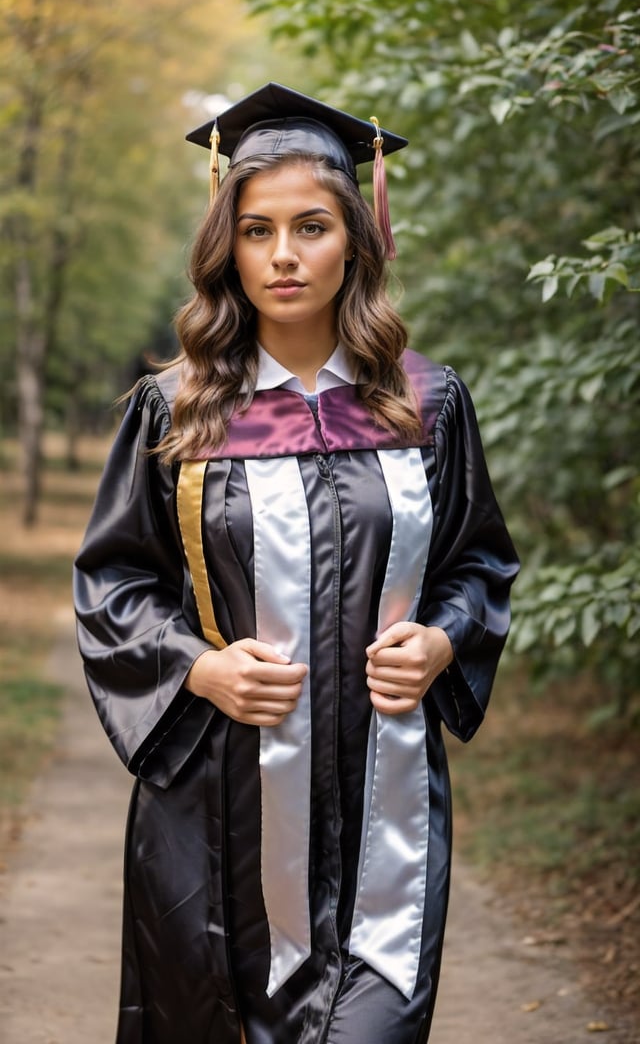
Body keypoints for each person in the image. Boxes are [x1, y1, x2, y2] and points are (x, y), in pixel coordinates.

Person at [74, 82, 519, 1044]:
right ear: (224, 246)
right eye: (256, 230)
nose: (283, 256)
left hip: (384, 813)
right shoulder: (178, 410)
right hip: (213, 815)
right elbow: (114, 584)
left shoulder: (425, 403)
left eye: (311, 226)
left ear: (355, 236)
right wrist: (201, 665)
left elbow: (477, 567)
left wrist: (443, 642)